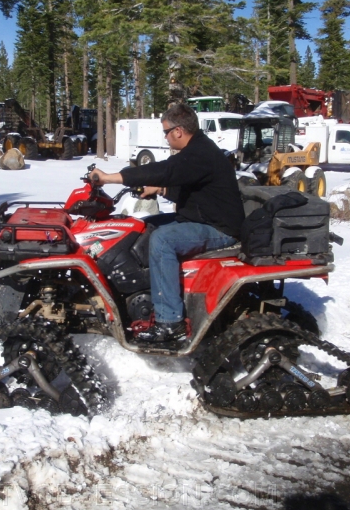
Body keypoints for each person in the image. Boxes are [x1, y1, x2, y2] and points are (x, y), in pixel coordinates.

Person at [88, 103, 245, 343]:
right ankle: (143, 292)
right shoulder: (197, 151)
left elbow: (166, 170)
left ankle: (170, 322)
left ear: (179, 131)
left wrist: (111, 178)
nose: (165, 138)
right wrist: (161, 189)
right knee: (145, 227)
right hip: (203, 216)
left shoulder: (199, 153)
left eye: (166, 132)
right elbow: (192, 189)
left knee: (162, 241)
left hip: (220, 228)